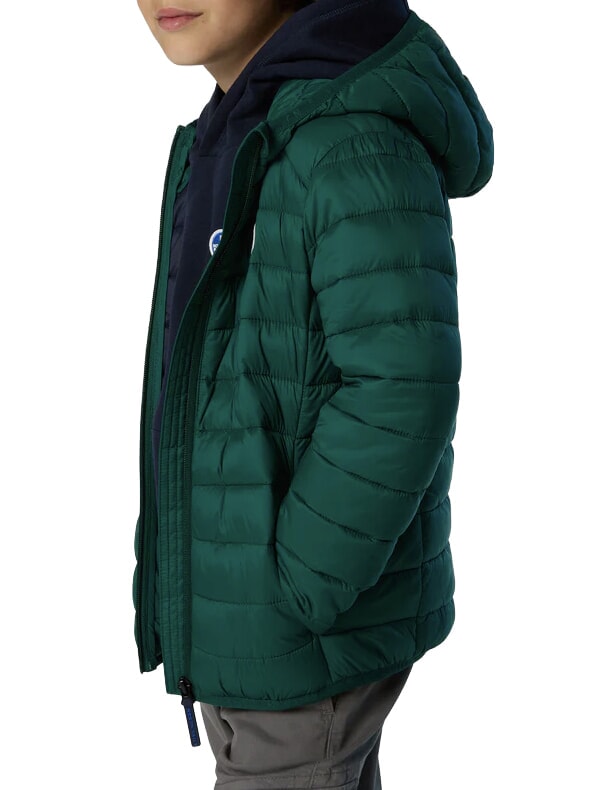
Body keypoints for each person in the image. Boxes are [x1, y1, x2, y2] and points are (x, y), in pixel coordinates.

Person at [132, 0, 494, 787]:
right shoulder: (241, 129)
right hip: (257, 630)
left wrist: (299, 585)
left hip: (296, 640)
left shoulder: (347, 140)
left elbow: (403, 385)